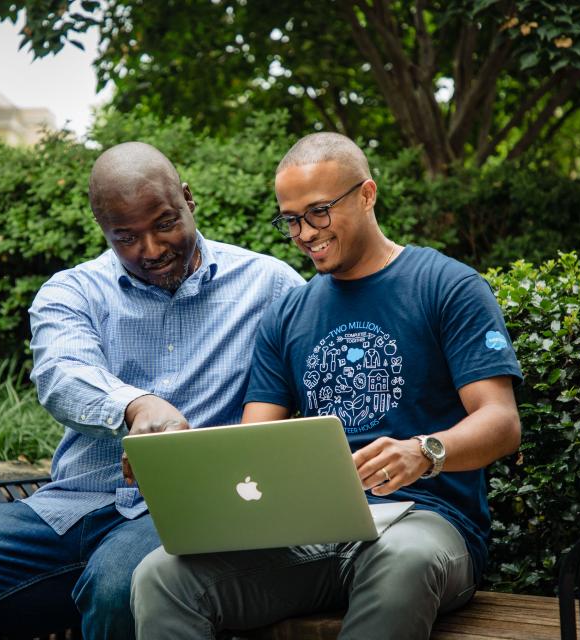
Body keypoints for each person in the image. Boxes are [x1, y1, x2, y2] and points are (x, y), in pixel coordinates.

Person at [0, 142, 304, 640]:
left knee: (117, 587)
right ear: (102, 229)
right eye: (126, 237)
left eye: (165, 223)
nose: (151, 249)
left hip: (188, 512)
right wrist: (134, 405)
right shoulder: (71, 292)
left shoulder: (269, 285)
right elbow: (61, 372)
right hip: (74, 504)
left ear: (188, 200)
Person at [131, 132, 523, 640]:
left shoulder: (447, 285)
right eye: (290, 219)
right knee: (160, 576)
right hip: (313, 534)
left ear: (366, 194)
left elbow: (502, 422)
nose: (303, 233)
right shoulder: (288, 313)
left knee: (399, 562)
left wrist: (425, 452)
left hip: (426, 526)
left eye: (318, 212)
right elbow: (252, 447)